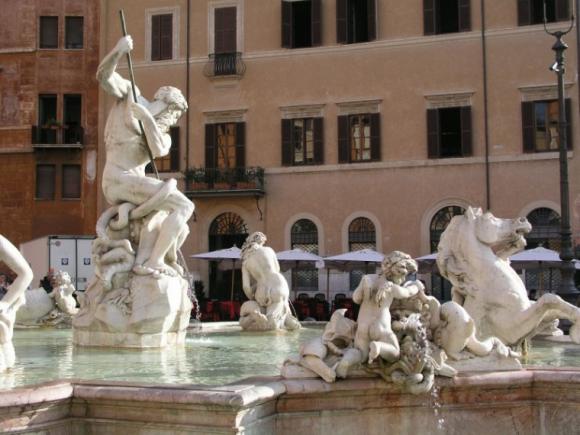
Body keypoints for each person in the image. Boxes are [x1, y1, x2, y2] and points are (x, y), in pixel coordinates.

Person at [96, 35, 193, 276]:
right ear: (162, 101)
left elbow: (158, 148)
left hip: (132, 184)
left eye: (175, 116)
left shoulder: (161, 134)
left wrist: (149, 120)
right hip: (118, 178)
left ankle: (149, 259)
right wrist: (118, 51)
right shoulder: (131, 96)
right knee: (184, 205)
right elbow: (103, 77)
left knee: (170, 220)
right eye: (171, 112)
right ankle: (154, 261)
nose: (171, 119)